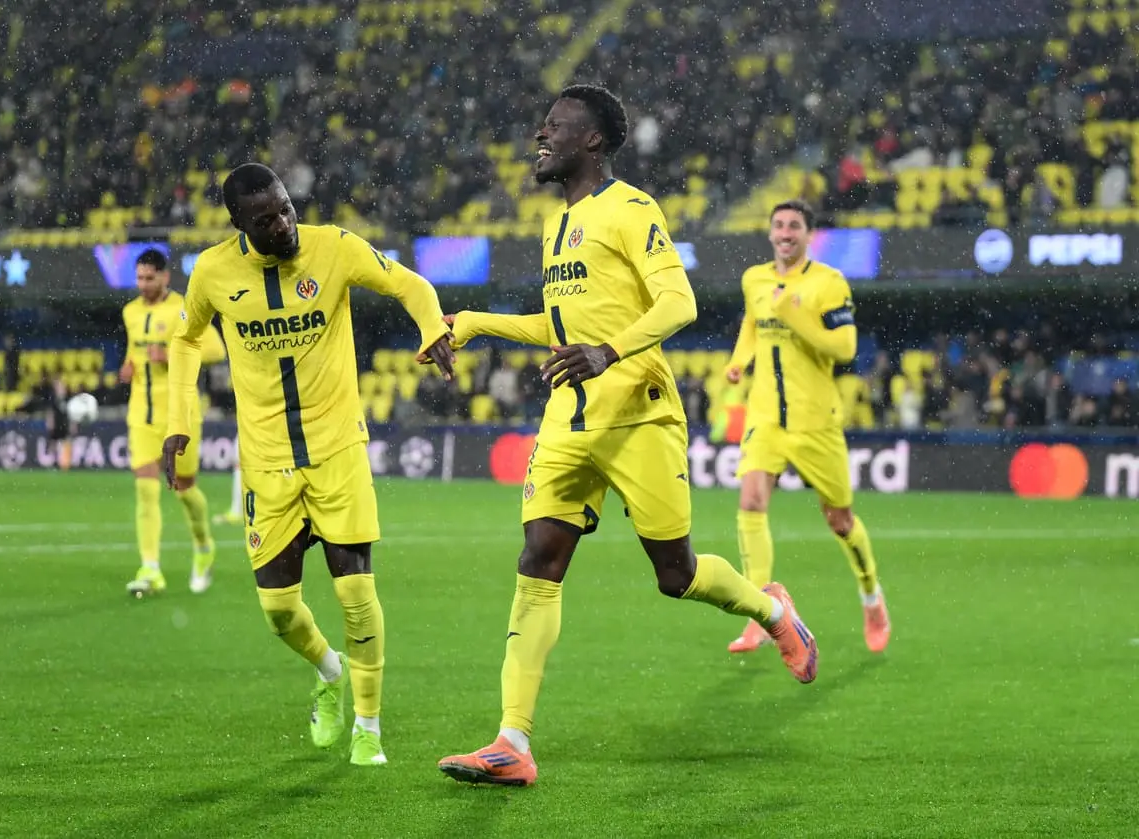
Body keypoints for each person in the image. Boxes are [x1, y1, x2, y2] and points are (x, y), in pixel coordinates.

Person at [436, 85, 818, 788]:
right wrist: (474, 321)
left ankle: (773, 610)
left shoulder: (632, 208)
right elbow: (560, 333)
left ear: (594, 140)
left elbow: (680, 300)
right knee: (537, 560)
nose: (539, 135)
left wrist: (610, 351)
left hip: (638, 412)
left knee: (675, 574)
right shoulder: (557, 227)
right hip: (569, 418)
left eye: (555, 126)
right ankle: (512, 741)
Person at [162, 163, 456, 767]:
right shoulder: (214, 271)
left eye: (286, 209)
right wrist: (178, 423)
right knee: (277, 612)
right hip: (266, 461)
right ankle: (329, 670)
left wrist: (432, 328)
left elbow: (410, 285)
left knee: (355, 593)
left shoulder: (335, 246)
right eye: (266, 220)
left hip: (338, 448)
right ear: (240, 224)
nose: (284, 225)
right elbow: (186, 339)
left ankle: (369, 728)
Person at [723, 200, 891, 657]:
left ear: (807, 234)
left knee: (840, 520)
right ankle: (761, 612)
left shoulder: (829, 284)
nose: (785, 232)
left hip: (816, 421)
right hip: (765, 417)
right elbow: (752, 324)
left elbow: (845, 346)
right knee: (751, 500)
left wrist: (797, 317)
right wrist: (739, 363)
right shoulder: (754, 279)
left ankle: (872, 598)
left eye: (794, 225)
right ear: (770, 232)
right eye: (778, 224)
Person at [120, 249, 227, 597]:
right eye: (139, 278)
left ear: (166, 277)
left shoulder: (185, 308)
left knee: (184, 489)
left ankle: (203, 545)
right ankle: (150, 568)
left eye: (150, 277)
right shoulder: (130, 312)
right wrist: (129, 366)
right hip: (141, 414)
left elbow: (215, 350)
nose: (143, 284)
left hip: (179, 414)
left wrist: (168, 356)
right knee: (145, 489)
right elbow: (133, 352)